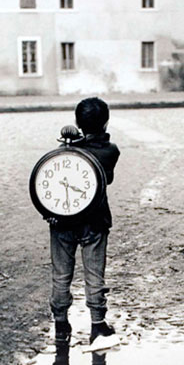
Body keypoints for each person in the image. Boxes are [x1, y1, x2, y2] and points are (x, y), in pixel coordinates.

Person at [47, 97, 120, 347]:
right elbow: (104, 176)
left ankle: (60, 325)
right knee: (94, 274)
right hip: (94, 223)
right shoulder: (110, 152)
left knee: (60, 275)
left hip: (62, 222)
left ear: (78, 122)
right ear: (106, 122)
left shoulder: (66, 152)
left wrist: (70, 141)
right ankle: (98, 326)